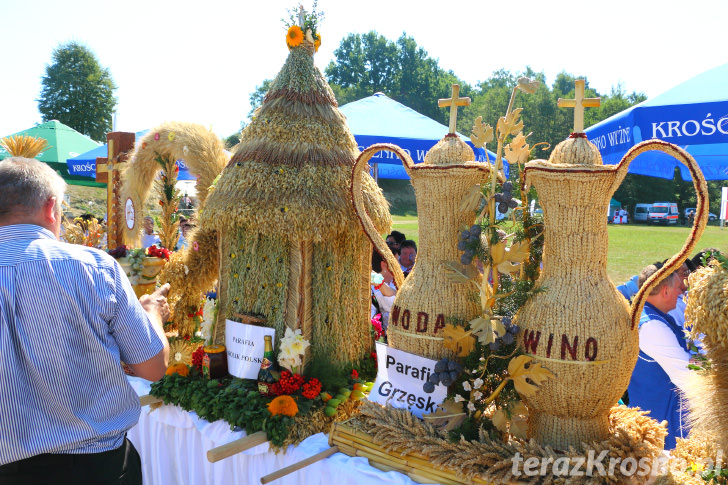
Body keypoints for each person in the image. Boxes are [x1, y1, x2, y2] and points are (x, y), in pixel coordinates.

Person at [0, 157, 171, 484]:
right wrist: (152, 314)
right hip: (96, 467)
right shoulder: (93, 266)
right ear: (52, 209)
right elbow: (153, 368)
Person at [627, 263, 692, 449]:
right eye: (678, 287)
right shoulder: (651, 327)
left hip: (661, 417)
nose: (681, 293)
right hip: (663, 424)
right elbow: (687, 375)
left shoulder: (653, 316)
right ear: (665, 291)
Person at [371, 250, 397, 331]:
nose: (399, 266)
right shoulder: (370, 289)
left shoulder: (396, 284)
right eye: (396, 263)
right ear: (384, 265)